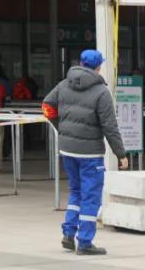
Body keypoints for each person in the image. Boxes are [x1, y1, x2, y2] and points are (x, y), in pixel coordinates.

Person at [42, 49, 127, 256]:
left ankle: (68, 233)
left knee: (76, 192)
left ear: (80, 63)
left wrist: (61, 127)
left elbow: (46, 105)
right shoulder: (101, 92)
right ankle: (85, 242)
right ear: (99, 67)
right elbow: (109, 126)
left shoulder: (64, 84)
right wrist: (121, 153)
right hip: (90, 153)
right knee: (91, 196)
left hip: (67, 149)